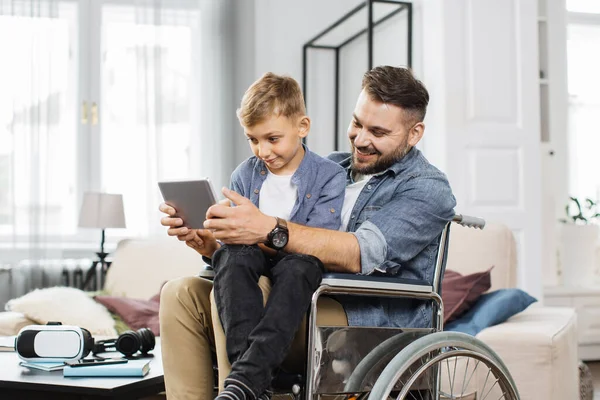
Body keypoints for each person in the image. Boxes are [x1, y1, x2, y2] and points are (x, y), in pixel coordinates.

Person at [159, 65, 456, 400]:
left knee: (254, 290)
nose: (360, 139)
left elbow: (359, 252)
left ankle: (244, 386)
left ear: (414, 133)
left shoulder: (427, 188)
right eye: (357, 123)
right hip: (298, 297)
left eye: (377, 131)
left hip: (357, 318)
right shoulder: (330, 167)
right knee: (180, 294)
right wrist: (211, 243)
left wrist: (267, 228)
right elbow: (263, 252)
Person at [161, 72, 346, 400]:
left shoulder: (329, 175)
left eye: (272, 139)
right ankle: (251, 383)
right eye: (253, 139)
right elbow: (236, 246)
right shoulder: (245, 173)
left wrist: (258, 231)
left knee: (299, 265)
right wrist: (210, 241)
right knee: (232, 256)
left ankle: (246, 380)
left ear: (302, 127)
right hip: (253, 261)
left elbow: (320, 241)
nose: (262, 150)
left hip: (300, 264)